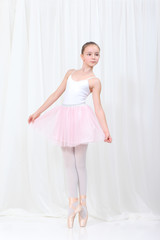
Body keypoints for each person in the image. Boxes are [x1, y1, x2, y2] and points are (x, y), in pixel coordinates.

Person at [28, 41, 112, 228]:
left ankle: (83, 205)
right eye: (89, 53)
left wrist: (105, 130)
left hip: (81, 119)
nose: (93, 57)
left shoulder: (94, 81)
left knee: (79, 163)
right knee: (68, 163)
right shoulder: (70, 73)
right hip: (65, 118)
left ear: (99, 58)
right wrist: (38, 112)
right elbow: (55, 94)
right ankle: (72, 204)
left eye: (96, 54)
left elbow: (98, 108)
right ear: (82, 56)